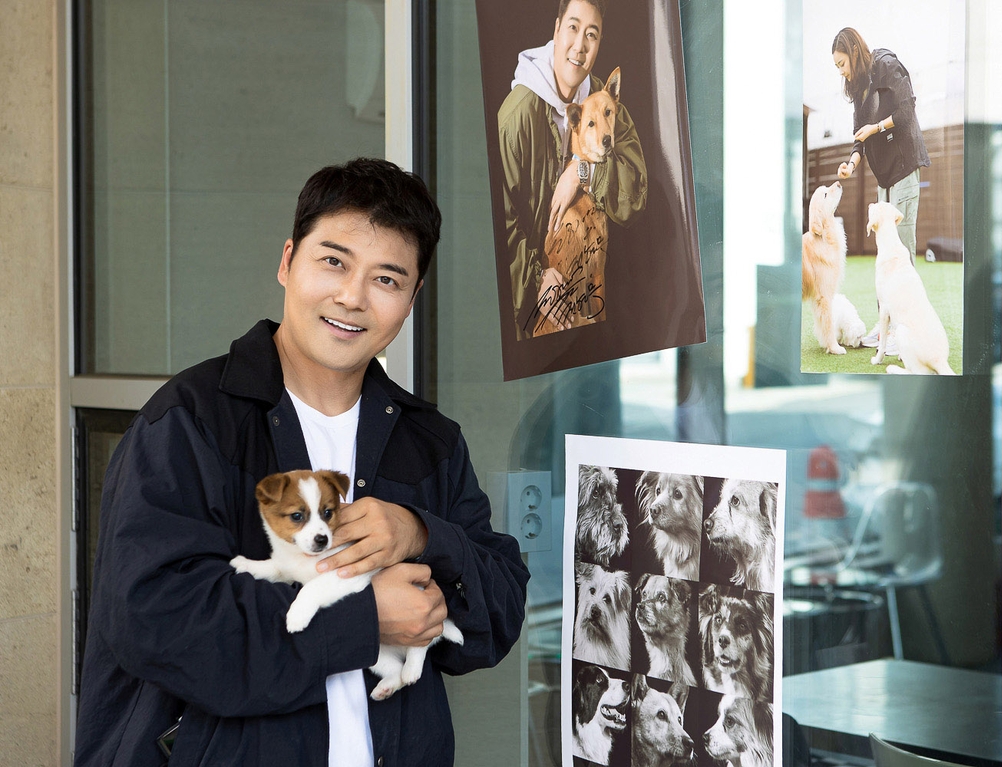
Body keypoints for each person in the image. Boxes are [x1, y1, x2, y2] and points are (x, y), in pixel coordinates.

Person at [73, 158, 530, 766]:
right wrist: (366, 618)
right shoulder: (191, 421)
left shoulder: (430, 441)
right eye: (333, 261)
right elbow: (154, 622)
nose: (352, 297)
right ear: (288, 262)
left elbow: (496, 618)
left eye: (387, 280)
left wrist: (422, 535)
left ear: (412, 299)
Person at [498, 0, 647, 339]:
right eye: (573, 28)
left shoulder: (604, 102)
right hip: (532, 311)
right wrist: (537, 278)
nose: (580, 46)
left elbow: (635, 193)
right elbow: (496, 221)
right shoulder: (516, 116)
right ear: (556, 29)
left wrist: (581, 172)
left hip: (591, 300)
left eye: (591, 34)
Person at [832, 27, 931, 350]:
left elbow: (906, 112)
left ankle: (908, 333)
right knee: (884, 256)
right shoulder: (859, 89)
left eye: (842, 64)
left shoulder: (887, 66)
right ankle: (886, 328)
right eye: (837, 68)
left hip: (903, 166)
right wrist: (851, 164)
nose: (842, 72)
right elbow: (858, 140)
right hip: (883, 177)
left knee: (901, 252)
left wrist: (876, 126)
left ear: (855, 54)